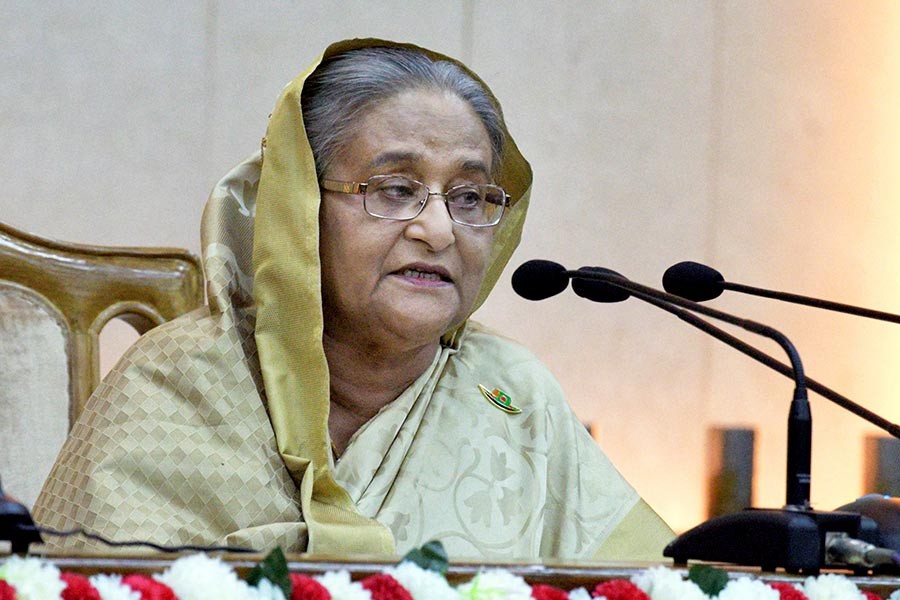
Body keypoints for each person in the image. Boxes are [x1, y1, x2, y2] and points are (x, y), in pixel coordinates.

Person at [34, 38, 673, 560]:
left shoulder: (512, 394)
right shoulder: (172, 386)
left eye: (471, 198)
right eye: (394, 189)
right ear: (299, 209)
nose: (440, 229)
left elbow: (652, 582)